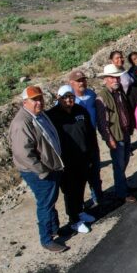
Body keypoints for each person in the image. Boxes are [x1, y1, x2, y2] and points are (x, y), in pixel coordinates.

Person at [10, 86, 67, 252]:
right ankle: (47, 238)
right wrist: (43, 170)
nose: (39, 102)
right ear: (25, 102)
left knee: (51, 199)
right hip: (39, 172)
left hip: (50, 167)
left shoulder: (39, 115)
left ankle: (55, 228)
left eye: (40, 98)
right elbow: (23, 154)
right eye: (34, 99)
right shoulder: (22, 123)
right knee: (45, 204)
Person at [47, 85, 98, 234]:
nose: (69, 99)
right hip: (66, 161)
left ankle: (80, 211)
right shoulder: (52, 116)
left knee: (81, 186)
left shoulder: (80, 110)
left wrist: (91, 152)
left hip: (83, 158)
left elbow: (89, 132)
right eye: (65, 97)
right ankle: (74, 220)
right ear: (59, 98)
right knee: (70, 191)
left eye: (71, 96)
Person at [95, 64, 137, 204]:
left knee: (124, 162)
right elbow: (102, 122)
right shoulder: (102, 97)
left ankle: (122, 186)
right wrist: (109, 138)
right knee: (118, 165)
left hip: (124, 132)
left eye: (117, 77)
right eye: (112, 78)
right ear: (106, 79)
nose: (115, 80)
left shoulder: (119, 92)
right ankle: (122, 193)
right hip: (115, 136)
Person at [68, 69, 102, 206]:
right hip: (77, 144)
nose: (81, 83)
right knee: (80, 176)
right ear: (71, 83)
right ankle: (80, 206)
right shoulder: (69, 100)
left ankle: (98, 198)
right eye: (78, 81)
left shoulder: (91, 94)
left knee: (95, 170)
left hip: (92, 138)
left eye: (83, 80)